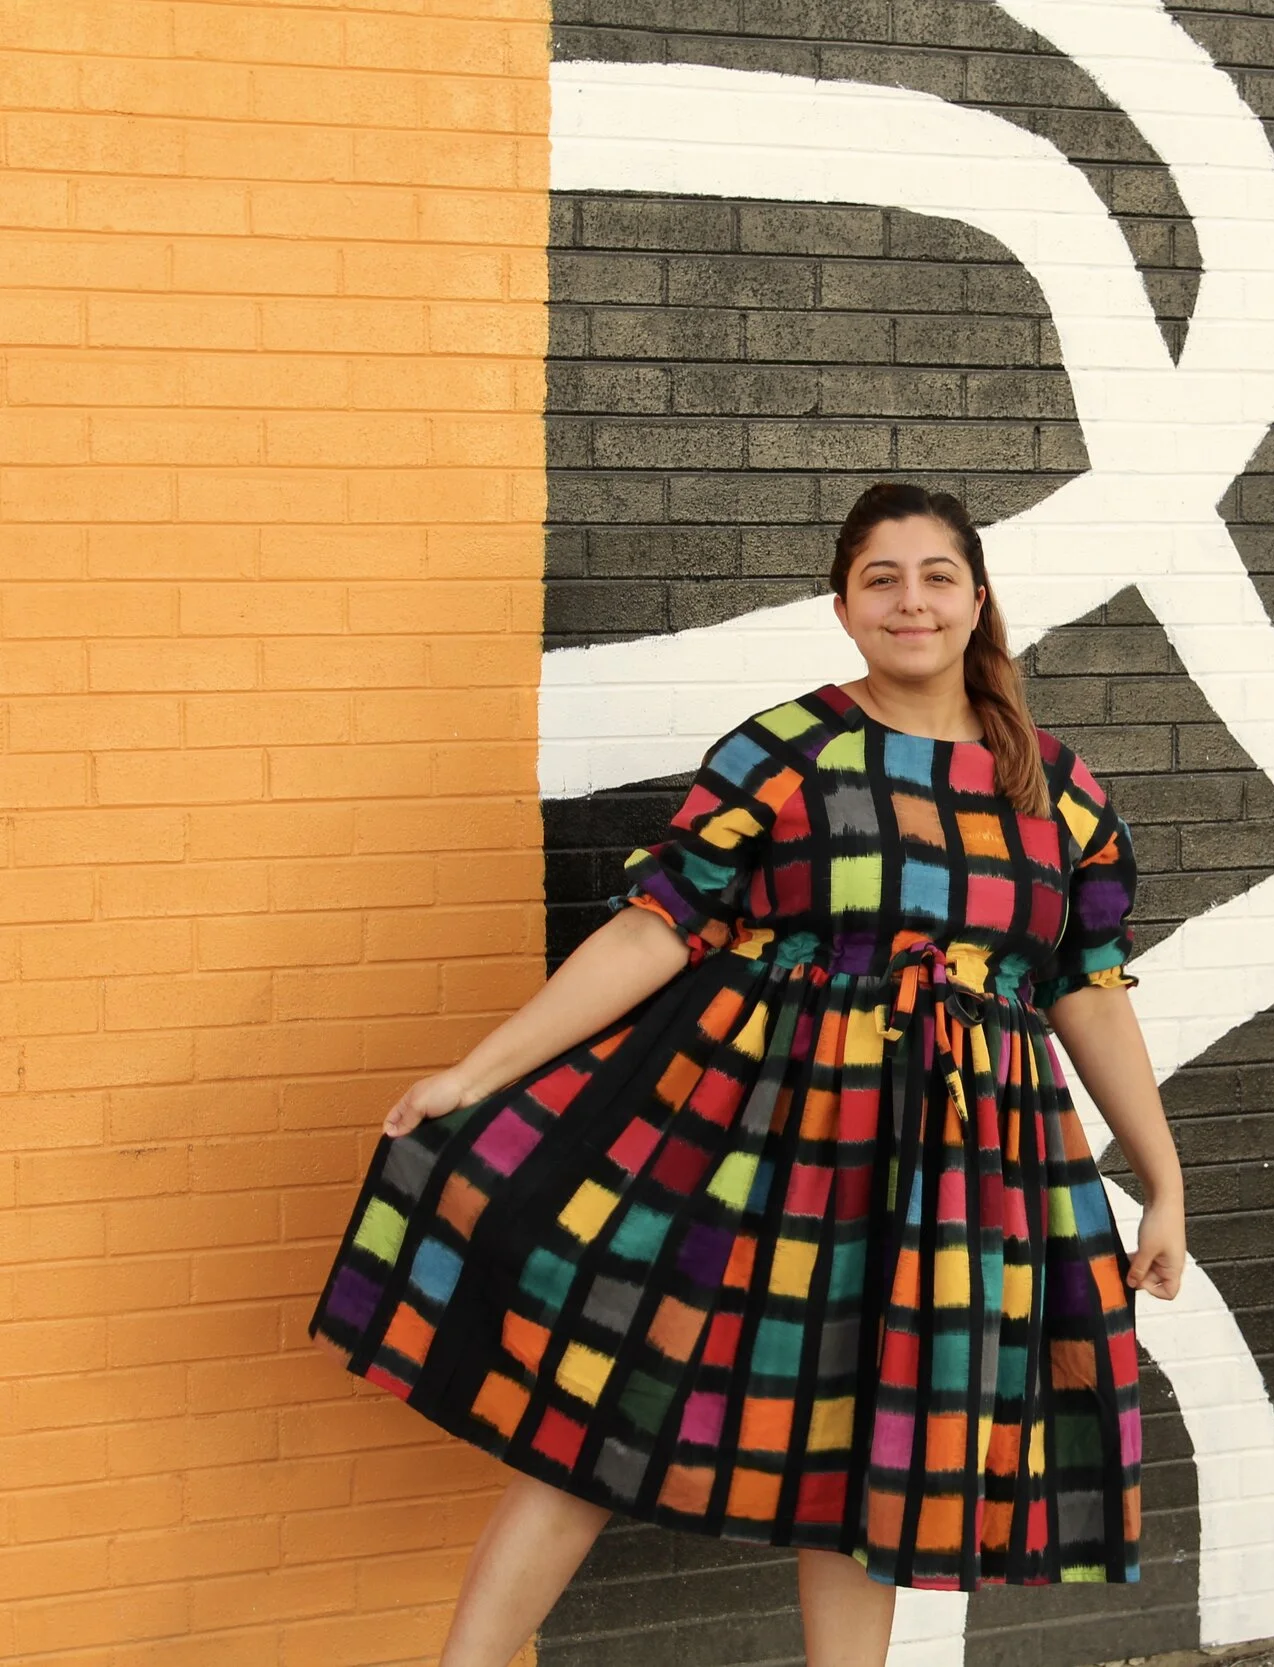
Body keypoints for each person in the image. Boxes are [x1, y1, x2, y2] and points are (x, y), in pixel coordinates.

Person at [310, 482, 1186, 1667]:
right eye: (881, 578)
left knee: (870, 1467)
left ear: (978, 600)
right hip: (760, 1152)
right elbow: (653, 930)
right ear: (843, 606)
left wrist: (1162, 1179)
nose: (911, 601)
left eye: (936, 576)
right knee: (596, 1413)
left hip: (943, 1177)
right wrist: (478, 1071)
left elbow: (1087, 988)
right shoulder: (786, 750)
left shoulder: (1058, 794)